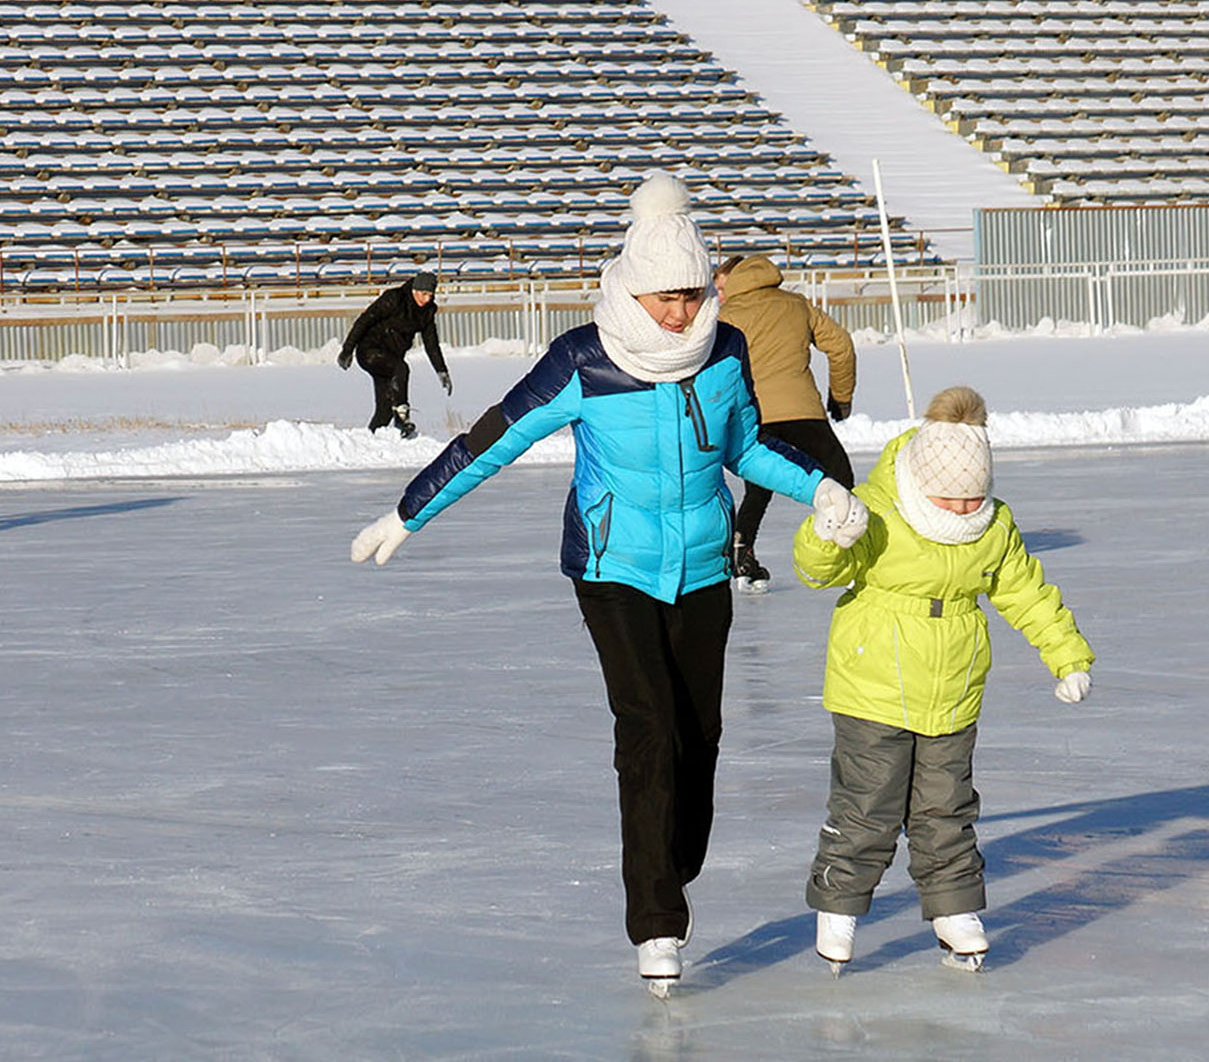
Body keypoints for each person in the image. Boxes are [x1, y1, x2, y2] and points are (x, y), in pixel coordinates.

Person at [347, 174, 868, 995]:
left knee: (700, 738)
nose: (679, 313)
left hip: (701, 569)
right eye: (665, 297)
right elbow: (492, 440)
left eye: (693, 294)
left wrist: (821, 487)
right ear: (631, 286)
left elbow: (746, 449)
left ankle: (672, 863)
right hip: (611, 568)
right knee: (649, 730)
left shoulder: (725, 351)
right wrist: (409, 513)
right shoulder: (584, 360)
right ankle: (656, 922)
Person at [791, 386, 1095, 973]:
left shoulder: (993, 525)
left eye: (972, 497)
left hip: (952, 690)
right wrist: (827, 534)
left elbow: (1026, 592)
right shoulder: (877, 510)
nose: (961, 510)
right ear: (921, 482)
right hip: (872, 686)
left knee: (946, 809)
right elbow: (816, 571)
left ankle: (954, 909)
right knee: (868, 806)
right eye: (948, 498)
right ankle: (839, 907)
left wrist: (1068, 656)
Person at [714, 254, 857, 592]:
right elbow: (841, 346)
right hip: (803, 412)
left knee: (759, 486)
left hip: (755, 415)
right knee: (841, 477)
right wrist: (841, 397)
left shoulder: (725, 317)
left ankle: (741, 550)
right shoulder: (797, 305)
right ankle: (857, 548)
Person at [337, 271, 452, 439]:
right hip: (370, 352)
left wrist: (441, 370)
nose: (426, 299)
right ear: (415, 290)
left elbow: (431, 344)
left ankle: (370, 440)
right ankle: (402, 418)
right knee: (401, 369)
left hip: (390, 358)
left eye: (430, 295)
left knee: (384, 410)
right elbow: (365, 320)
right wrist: (347, 350)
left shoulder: (426, 312)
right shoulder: (395, 299)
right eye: (423, 294)